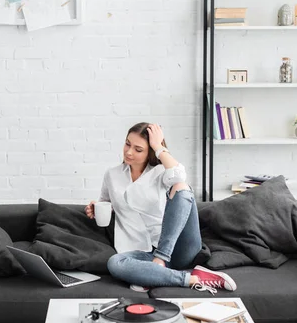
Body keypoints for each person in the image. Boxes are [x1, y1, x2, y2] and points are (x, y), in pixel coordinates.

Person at [85, 122, 236, 294]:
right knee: (114, 263)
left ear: (149, 151)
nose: (129, 152)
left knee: (181, 187)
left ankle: (159, 263)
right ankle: (191, 278)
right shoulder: (112, 175)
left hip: (177, 249)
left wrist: (158, 146)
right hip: (139, 253)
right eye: (127, 144)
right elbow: (107, 203)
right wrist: (95, 207)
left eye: (138, 149)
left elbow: (180, 176)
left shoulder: (160, 172)